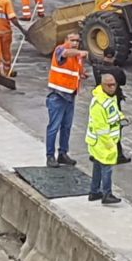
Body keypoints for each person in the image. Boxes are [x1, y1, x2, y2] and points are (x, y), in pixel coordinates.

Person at [46, 32, 88, 168]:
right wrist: (79, 52)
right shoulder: (61, 49)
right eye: (72, 40)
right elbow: (65, 53)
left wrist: (82, 74)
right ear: (66, 40)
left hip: (70, 95)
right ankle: (50, 156)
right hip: (58, 96)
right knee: (54, 127)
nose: (75, 43)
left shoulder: (76, 57)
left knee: (66, 127)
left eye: (77, 40)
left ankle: (62, 153)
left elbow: (75, 71)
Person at [86, 73, 124, 205]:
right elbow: (101, 128)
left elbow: (113, 112)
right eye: (109, 85)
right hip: (102, 142)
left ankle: (95, 191)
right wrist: (110, 144)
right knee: (107, 167)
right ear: (102, 85)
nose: (113, 87)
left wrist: (121, 116)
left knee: (98, 165)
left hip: (101, 141)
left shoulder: (108, 97)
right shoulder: (99, 103)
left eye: (114, 84)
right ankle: (107, 194)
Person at [93, 47, 131, 164]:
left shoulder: (97, 68)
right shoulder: (117, 71)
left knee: (99, 127)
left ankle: (96, 154)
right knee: (115, 128)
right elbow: (123, 82)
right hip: (113, 101)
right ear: (113, 56)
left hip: (100, 101)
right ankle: (118, 155)